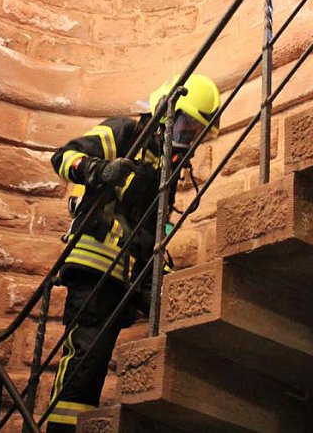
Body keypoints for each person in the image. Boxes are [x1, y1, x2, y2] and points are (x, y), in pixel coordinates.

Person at [45, 74, 221, 432]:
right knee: (87, 359)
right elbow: (63, 157)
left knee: (180, 309)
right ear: (166, 111)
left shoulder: (167, 168)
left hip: (134, 270)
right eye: (185, 127)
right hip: (97, 264)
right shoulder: (127, 133)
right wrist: (98, 170)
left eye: (195, 133)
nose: (187, 138)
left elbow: (153, 227)